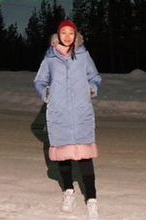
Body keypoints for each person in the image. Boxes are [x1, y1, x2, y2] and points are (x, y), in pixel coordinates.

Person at [34, 19, 102, 218]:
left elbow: (95, 76)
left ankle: (92, 200)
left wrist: (92, 88)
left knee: (85, 157)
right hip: (60, 113)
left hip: (81, 112)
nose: (67, 36)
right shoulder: (50, 57)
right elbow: (40, 80)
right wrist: (46, 93)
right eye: (63, 33)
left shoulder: (83, 55)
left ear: (75, 35)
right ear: (58, 35)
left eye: (70, 33)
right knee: (63, 156)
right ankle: (69, 192)